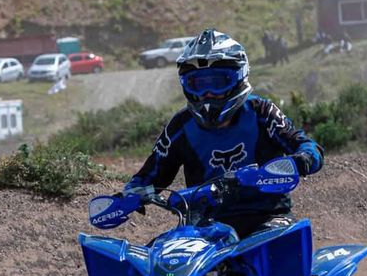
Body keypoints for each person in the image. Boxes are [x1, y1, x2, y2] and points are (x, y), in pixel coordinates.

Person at [124, 29, 324, 237]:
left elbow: (308, 146)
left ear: (238, 78)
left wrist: (302, 159)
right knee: (164, 252)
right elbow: (151, 174)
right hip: (206, 224)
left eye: (218, 83)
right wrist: (130, 195)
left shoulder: (261, 112)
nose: (207, 94)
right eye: (197, 85)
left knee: (277, 244)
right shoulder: (181, 124)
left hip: (268, 217)